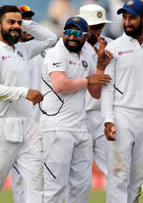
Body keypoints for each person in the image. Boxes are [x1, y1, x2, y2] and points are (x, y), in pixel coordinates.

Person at [0, 5, 57, 203]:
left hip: (27, 126)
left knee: (37, 186)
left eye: (18, 23)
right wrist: (24, 92)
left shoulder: (22, 50)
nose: (16, 26)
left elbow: (51, 39)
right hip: (2, 126)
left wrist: (25, 22)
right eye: (10, 22)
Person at [101, 0, 143, 203]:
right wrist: (108, 119)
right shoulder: (114, 47)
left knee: (137, 179)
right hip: (121, 116)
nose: (127, 22)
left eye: (132, 18)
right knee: (118, 175)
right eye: (125, 17)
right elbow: (107, 87)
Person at [40, 16, 112, 203]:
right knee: (55, 187)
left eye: (77, 33)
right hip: (57, 128)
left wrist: (100, 68)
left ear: (86, 36)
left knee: (81, 187)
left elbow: (95, 93)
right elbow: (59, 85)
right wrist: (89, 80)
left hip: (80, 127)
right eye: (69, 32)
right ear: (63, 33)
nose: (72, 37)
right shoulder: (56, 53)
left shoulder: (87, 55)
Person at [10, 5, 53, 203]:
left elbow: (51, 38)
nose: (24, 25)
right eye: (19, 20)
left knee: (42, 176)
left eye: (27, 20)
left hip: (43, 121)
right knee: (19, 177)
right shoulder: (9, 52)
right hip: (17, 121)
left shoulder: (42, 50)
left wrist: (26, 24)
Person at [80, 3, 114, 176]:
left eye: (101, 26)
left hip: (104, 114)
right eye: (94, 27)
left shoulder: (112, 46)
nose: (98, 30)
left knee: (114, 170)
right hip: (79, 116)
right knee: (79, 174)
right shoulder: (70, 47)